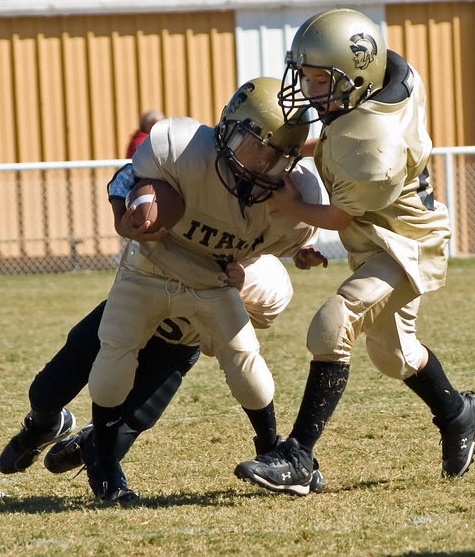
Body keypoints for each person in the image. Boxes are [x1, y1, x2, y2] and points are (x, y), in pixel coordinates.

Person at [234, 9, 475, 496]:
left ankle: (298, 457)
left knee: (332, 326)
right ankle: (462, 414)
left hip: (404, 245)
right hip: (382, 234)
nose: (309, 90)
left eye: (320, 80)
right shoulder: (387, 81)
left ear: (356, 78)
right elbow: (349, 119)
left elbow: (338, 218)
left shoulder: (370, 143)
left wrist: (292, 203)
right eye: (307, 76)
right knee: (394, 355)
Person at [86, 76, 327, 503]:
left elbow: (283, 239)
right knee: (114, 353)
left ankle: (270, 448)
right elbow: (127, 178)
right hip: (151, 267)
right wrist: (129, 210)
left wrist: (303, 249)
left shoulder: (293, 199)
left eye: (275, 156)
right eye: (254, 145)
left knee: (245, 358)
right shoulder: (177, 147)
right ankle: (104, 464)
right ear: (228, 128)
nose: (259, 163)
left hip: (213, 279)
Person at [0, 254, 326, 501]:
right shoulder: (184, 224)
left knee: (129, 425)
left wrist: (226, 304)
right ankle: (44, 425)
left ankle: (91, 444)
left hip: (174, 349)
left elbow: (216, 346)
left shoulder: (265, 279)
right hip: (123, 319)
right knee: (47, 391)